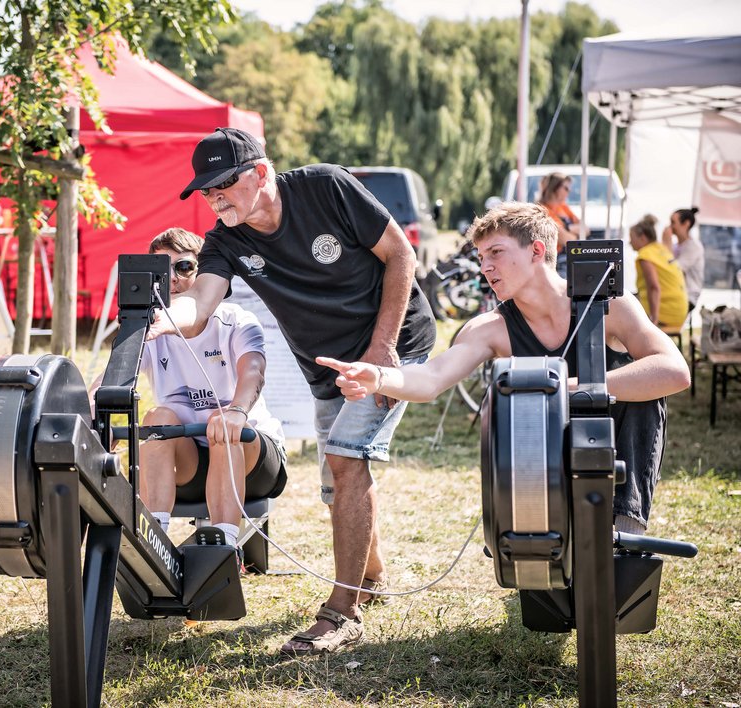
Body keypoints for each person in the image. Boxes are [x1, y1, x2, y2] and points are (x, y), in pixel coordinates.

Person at [152, 127, 436, 655]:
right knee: (337, 479)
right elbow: (198, 308)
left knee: (347, 461)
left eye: (223, 186)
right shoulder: (225, 240)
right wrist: (162, 319)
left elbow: (401, 255)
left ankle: (342, 611)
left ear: (261, 173)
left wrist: (381, 351)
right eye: (206, 192)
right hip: (326, 366)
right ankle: (370, 578)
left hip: (393, 344)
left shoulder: (327, 188)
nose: (215, 200)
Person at [317, 202, 690, 538]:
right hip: (542, 451)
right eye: (481, 257)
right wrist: (379, 376)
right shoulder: (490, 328)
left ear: (537, 251)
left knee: (646, 395)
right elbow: (432, 379)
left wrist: (570, 389)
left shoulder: (608, 304)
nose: (486, 267)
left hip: (612, 434)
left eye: (496, 252)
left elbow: (674, 370)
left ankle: (627, 536)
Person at [138, 227, 287, 557]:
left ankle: (223, 550)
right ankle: (152, 546)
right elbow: (109, 382)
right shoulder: (149, 327)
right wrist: (94, 414)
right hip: (191, 460)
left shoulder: (235, 319)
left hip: (250, 453)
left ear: (204, 272)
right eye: (162, 269)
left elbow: (253, 371)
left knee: (222, 424)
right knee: (156, 420)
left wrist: (237, 410)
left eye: (184, 267)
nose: (173, 278)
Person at [630, 215, 689, 328]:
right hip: (680, 311)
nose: (629, 242)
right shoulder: (661, 249)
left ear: (642, 238)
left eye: (631, 238)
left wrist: (654, 318)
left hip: (666, 314)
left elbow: (653, 287)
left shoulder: (645, 255)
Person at [537, 172, 586, 278]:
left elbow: (585, 229)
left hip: (568, 255)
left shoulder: (562, 206)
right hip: (556, 259)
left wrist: (567, 228)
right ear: (555, 188)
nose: (569, 192)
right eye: (566, 189)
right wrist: (575, 232)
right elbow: (567, 240)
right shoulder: (543, 210)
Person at [662, 207, 705, 310]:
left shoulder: (694, 247)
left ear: (686, 224)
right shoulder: (676, 246)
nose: (670, 226)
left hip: (688, 297)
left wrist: (667, 244)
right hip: (673, 294)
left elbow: (675, 270)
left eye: (673, 222)